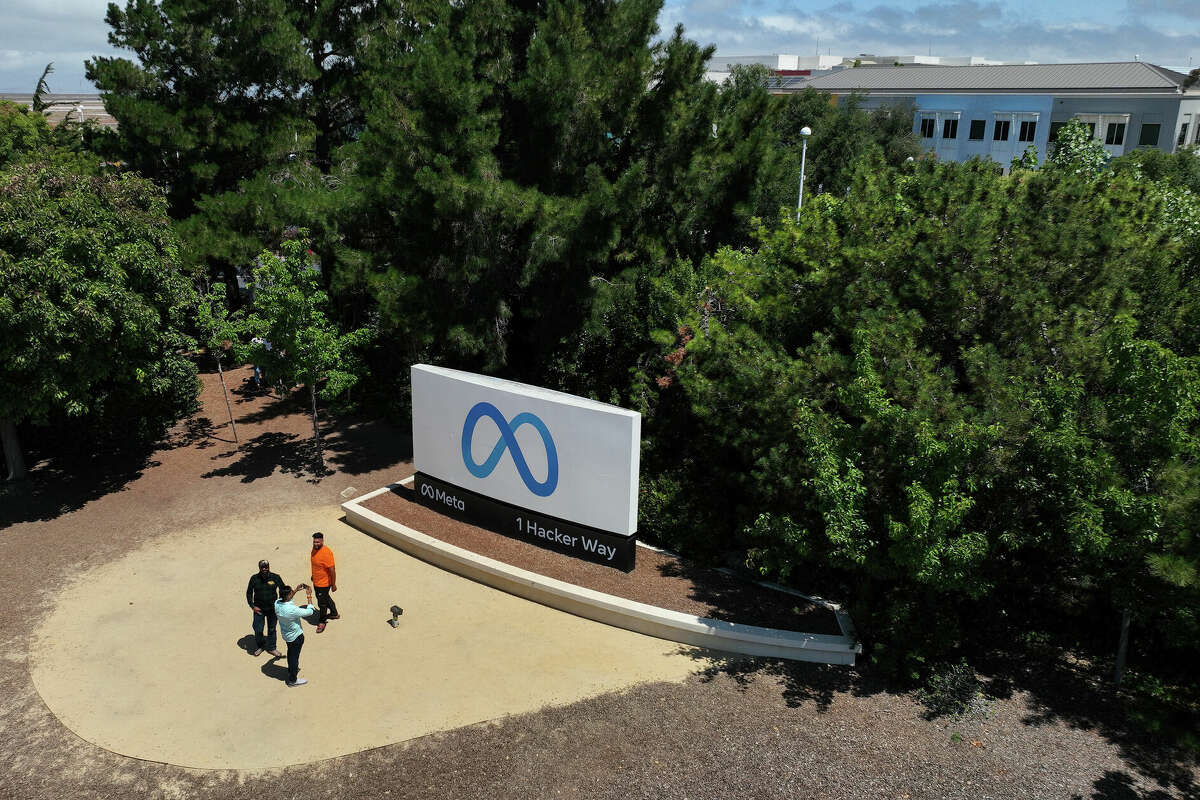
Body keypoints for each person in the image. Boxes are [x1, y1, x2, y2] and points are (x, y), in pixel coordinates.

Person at [274, 583, 317, 687]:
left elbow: (287, 598)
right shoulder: (291, 610)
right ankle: (293, 680)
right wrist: (309, 596)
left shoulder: (277, 603)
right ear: (288, 595)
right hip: (296, 637)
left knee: (290, 653)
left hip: (287, 635)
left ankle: (290, 671)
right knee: (294, 658)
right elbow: (310, 611)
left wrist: (296, 590)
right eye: (291, 592)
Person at [245, 559, 285, 657]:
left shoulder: (275, 577)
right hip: (259, 609)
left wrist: (280, 602)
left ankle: (272, 648)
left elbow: (283, 589)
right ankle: (261, 646)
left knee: (272, 629)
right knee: (258, 629)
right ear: (259, 568)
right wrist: (252, 606)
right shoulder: (254, 578)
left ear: (268, 567)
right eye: (262, 567)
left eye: (266, 567)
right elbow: (249, 592)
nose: (264, 569)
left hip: (272, 609)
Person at [309, 531, 338, 633]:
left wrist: (333, 584)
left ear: (322, 541)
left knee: (322, 603)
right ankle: (334, 613)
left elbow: (332, 570)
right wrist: (314, 575)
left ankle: (322, 622)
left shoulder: (326, 553)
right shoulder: (314, 549)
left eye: (318, 542)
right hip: (317, 581)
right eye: (314, 542)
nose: (316, 544)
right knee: (325, 598)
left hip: (324, 584)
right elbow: (316, 565)